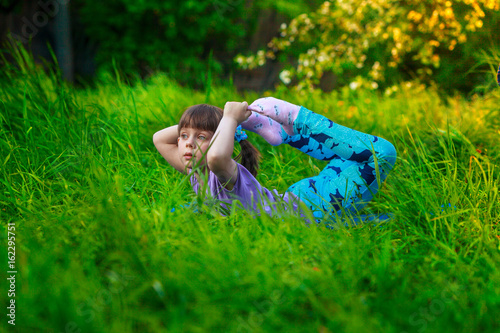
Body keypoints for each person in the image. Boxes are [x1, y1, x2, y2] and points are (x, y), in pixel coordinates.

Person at [153, 97, 397, 224]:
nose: (186, 143)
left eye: (200, 137)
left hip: (308, 205)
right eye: (183, 136)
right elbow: (159, 139)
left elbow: (217, 154)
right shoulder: (198, 170)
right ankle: (288, 132)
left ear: (219, 140)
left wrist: (227, 121)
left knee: (375, 155)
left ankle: (294, 118)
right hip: (309, 207)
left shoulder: (222, 171)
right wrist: (223, 122)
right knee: (370, 157)